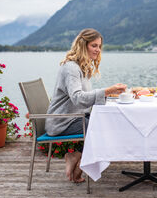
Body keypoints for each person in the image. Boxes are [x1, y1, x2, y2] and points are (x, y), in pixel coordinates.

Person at [45, 28, 127, 183]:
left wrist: (108, 93)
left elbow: (85, 99)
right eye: (94, 46)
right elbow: (78, 98)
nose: (98, 50)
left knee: (104, 121)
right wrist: (106, 91)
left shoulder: (81, 66)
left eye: (99, 46)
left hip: (74, 118)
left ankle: (76, 156)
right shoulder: (71, 68)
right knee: (101, 127)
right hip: (62, 122)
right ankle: (79, 161)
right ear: (83, 45)